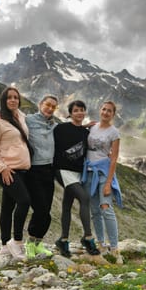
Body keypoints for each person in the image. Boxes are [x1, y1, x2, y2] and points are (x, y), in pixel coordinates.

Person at [0, 86, 32, 260]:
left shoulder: (21, 116)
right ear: (4, 101)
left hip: (21, 170)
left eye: (16, 97)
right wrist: (2, 167)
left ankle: (5, 244)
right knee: (24, 200)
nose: (13, 100)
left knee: (7, 207)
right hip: (6, 170)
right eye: (9, 98)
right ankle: (17, 242)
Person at [53, 100, 100, 258]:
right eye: (76, 110)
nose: (79, 113)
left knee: (67, 204)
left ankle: (63, 240)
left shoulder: (86, 133)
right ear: (70, 113)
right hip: (63, 170)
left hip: (78, 173)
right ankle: (88, 238)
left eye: (82, 110)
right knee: (84, 198)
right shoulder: (60, 128)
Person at [82, 101, 124, 264]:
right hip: (90, 172)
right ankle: (101, 244)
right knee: (95, 210)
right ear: (100, 110)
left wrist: (108, 183)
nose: (106, 112)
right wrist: (85, 125)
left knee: (106, 208)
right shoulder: (92, 127)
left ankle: (114, 248)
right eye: (104, 109)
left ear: (113, 114)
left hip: (104, 173)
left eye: (109, 111)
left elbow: (113, 159)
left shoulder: (114, 133)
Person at [23, 95, 59, 259]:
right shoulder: (29, 120)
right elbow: (13, 118)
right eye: (48, 105)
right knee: (41, 210)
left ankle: (38, 244)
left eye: (53, 107)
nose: (50, 108)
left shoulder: (53, 125)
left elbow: (69, 130)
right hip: (33, 170)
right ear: (40, 104)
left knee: (47, 210)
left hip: (49, 171)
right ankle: (30, 243)